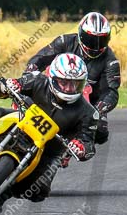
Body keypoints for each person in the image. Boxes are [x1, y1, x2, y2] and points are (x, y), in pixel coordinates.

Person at [0, 53, 98, 205]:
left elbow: (88, 142)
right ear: (53, 78)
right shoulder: (38, 80)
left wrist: (81, 147)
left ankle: (0, 195)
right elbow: (2, 85)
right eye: (64, 82)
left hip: (49, 150)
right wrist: (6, 86)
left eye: (75, 84)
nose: (69, 88)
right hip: (20, 122)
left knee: (38, 190)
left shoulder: (88, 112)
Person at [24, 12, 120, 144]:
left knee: (101, 133)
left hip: (86, 101)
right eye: (91, 40)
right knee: (24, 96)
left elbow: (111, 91)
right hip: (54, 89)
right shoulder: (65, 41)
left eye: (101, 40)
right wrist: (30, 72)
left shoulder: (111, 60)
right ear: (81, 34)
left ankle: (63, 153)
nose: (95, 46)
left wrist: (99, 108)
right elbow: (40, 58)